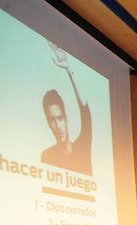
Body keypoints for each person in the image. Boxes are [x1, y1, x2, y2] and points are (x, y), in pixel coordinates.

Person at [41, 43, 92, 175]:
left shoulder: (82, 145)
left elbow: (85, 110)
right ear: (48, 123)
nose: (58, 125)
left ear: (66, 118)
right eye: (53, 120)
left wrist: (70, 71)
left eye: (60, 118)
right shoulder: (46, 156)